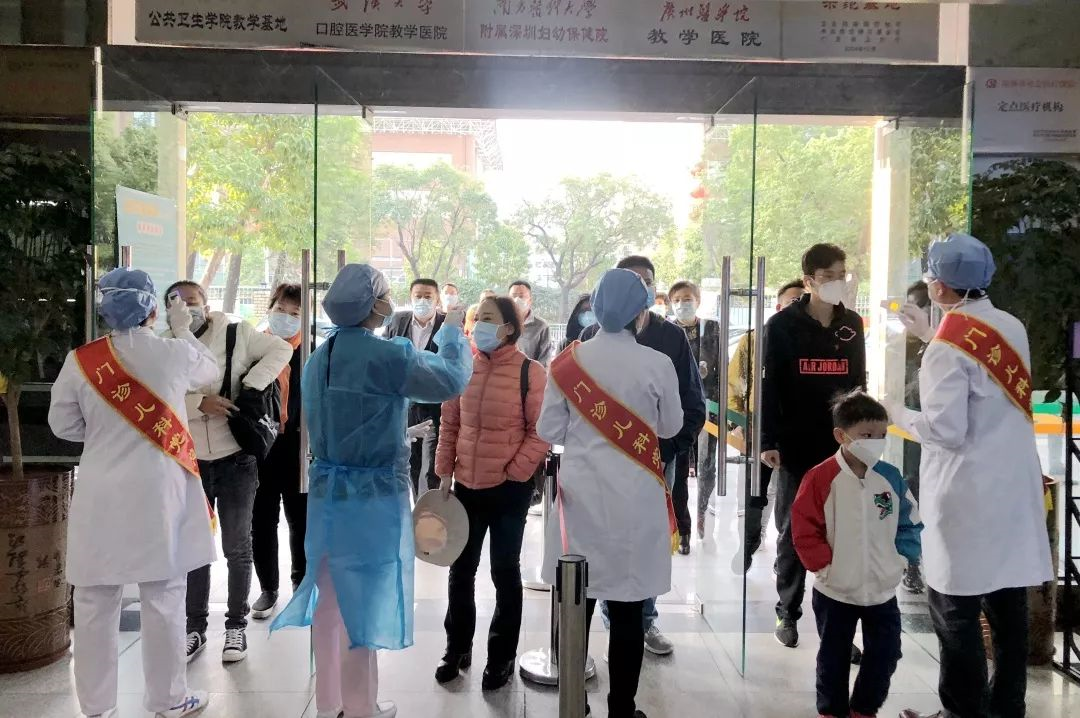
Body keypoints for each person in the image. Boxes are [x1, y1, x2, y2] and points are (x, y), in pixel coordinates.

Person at [270, 264, 472, 718]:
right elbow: (450, 380)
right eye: (385, 295)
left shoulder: (320, 357)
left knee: (329, 600)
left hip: (327, 495)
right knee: (362, 605)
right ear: (374, 304)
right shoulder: (387, 356)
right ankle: (360, 706)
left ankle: (330, 704)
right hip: (373, 496)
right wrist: (453, 333)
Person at [892, 234, 1052, 718]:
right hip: (1010, 489)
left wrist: (896, 412)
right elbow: (981, 374)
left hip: (965, 494)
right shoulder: (1011, 325)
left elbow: (946, 430)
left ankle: (962, 711)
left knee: (954, 610)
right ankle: (1006, 708)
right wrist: (931, 334)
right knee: (1007, 608)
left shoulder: (945, 348)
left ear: (939, 287)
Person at [49, 268, 217, 718]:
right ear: (153, 310)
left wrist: (104, 434)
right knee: (163, 596)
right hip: (157, 493)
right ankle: (169, 699)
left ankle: (96, 707)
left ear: (104, 309)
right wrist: (184, 330)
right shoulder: (174, 353)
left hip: (100, 490)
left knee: (93, 600)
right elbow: (211, 370)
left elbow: (62, 425)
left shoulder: (81, 360)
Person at [538, 268, 683, 718]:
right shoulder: (657, 363)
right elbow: (670, 426)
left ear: (593, 310)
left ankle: (574, 703)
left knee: (575, 602)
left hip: (581, 499)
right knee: (627, 611)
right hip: (635, 502)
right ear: (642, 314)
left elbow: (549, 429)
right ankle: (622, 708)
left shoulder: (568, 363)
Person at [579, 256, 706, 656]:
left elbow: (692, 405)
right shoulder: (590, 337)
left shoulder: (671, 338)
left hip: (654, 464)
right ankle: (605, 619)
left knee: (644, 543)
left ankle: (643, 619)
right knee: (599, 542)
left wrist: (665, 451)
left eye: (645, 281)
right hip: (599, 468)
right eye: (628, 281)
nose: (637, 288)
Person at [163, 279, 293, 664]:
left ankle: (236, 626)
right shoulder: (164, 344)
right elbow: (158, 398)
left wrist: (251, 386)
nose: (187, 308)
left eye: (193, 301)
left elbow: (282, 349)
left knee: (237, 545)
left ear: (207, 303)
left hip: (236, 457)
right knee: (194, 547)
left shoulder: (236, 333)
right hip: (189, 460)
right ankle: (195, 627)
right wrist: (198, 403)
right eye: (177, 302)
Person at [433, 295, 549, 690]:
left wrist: (514, 472)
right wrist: (444, 471)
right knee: (461, 570)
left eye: (487, 318)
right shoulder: (463, 367)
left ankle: (501, 657)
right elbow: (450, 423)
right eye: (476, 318)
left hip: (509, 491)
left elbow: (540, 432)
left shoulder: (530, 372)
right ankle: (456, 648)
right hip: (466, 485)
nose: (478, 325)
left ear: (509, 328)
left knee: (504, 571)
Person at [760, 243, 866, 650]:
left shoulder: (851, 325)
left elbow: (858, 384)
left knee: (841, 531)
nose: (837, 282)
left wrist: (862, 436)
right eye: (828, 277)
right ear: (809, 281)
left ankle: (838, 623)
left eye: (842, 275)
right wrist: (768, 440)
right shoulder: (782, 326)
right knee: (794, 529)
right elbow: (770, 387)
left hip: (840, 445)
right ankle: (787, 611)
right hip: (796, 443)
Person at [792, 391, 923, 718]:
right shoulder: (821, 478)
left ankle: (864, 709)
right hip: (835, 591)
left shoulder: (890, 478)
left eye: (882, 435)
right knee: (833, 657)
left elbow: (909, 522)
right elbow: (804, 527)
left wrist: (900, 560)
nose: (876, 443)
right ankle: (832, 711)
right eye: (867, 435)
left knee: (887, 653)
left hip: (882, 591)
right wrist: (824, 566)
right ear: (841, 435)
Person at [728, 280, 806, 571]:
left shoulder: (813, 341)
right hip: (759, 426)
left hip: (796, 429)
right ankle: (749, 543)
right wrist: (737, 421)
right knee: (755, 492)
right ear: (778, 306)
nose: (798, 306)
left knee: (789, 496)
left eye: (803, 300)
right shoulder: (754, 340)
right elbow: (734, 383)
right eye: (792, 301)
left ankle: (785, 555)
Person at [251, 283, 307, 621]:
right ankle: (268, 588)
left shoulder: (311, 351)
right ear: (270, 309)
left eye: (295, 313)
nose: (286, 317)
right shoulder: (253, 348)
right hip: (262, 446)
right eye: (281, 310)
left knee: (301, 519)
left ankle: (301, 585)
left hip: (299, 445)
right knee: (262, 519)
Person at [667, 280, 720, 547]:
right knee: (678, 474)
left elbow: (721, 370)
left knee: (707, 467)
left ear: (697, 300)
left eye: (687, 299)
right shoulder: (666, 331)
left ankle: (702, 515)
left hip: (708, 410)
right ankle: (682, 528)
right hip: (676, 412)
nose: (682, 304)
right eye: (676, 300)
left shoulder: (711, 328)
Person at [386, 278, 446, 498]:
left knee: (431, 468)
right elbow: (386, 355)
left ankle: (428, 511)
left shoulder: (447, 325)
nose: (422, 301)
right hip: (405, 406)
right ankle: (417, 508)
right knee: (411, 463)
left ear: (437, 299)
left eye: (428, 296)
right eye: (418, 296)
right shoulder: (397, 321)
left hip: (436, 406)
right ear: (411, 297)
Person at [900, 280, 930, 595]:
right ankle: (911, 564)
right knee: (911, 495)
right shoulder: (900, 348)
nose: (916, 311)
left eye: (922, 305)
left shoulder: (943, 345)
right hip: (908, 437)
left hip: (936, 436)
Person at [508, 280, 554, 366]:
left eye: (521, 296)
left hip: (530, 373)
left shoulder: (541, 326)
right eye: (513, 296)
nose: (517, 300)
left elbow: (545, 360)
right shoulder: (502, 324)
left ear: (530, 300)